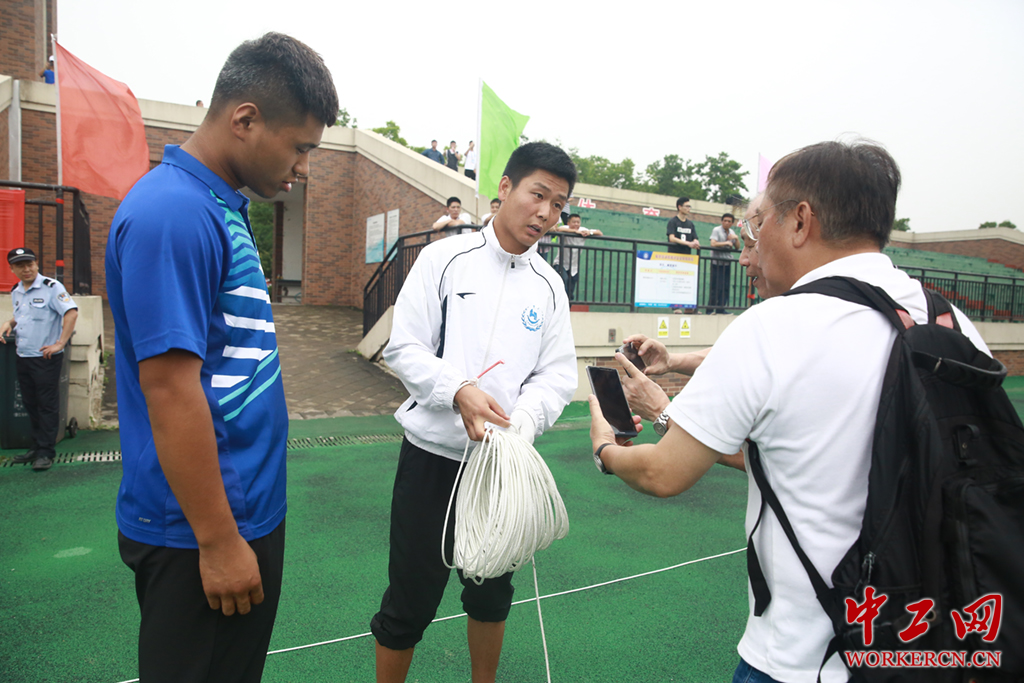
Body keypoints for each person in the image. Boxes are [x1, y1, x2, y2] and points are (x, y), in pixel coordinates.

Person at [588, 140, 990, 683]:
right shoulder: (949, 320)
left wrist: (605, 448)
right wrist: (679, 362)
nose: (750, 250)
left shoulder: (772, 326)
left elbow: (663, 472)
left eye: (759, 226)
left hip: (803, 656)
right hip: (932, 642)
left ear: (800, 221)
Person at [105, 32, 338, 683]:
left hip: (241, 512)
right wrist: (216, 539)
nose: (304, 167)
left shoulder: (217, 204)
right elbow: (170, 390)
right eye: (300, 147)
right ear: (245, 119)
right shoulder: (173, 214)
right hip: (199, 530)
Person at [371, 141, 579, 683]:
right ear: (504, 189)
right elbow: (403, 347)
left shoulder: (550, 286)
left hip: (498, 468)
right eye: (538, 195)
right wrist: (458, 389)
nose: (546, 213)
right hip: (430, 459)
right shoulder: (444, 259)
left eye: (558, 205)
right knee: (408, 601)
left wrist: (522, 424)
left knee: (491, 594)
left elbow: (558, 376)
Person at [1, 247, 78, 471]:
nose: (26, 269)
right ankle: (36, 447)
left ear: (36, 264)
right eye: (20, 266)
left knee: (46, 405)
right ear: (12, 269)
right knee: (30, 403)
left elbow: (71, 312)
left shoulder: (52, 288)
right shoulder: (16, 290)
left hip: (45, 357)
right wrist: (9, 323)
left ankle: (46, 452)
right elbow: (23, 314)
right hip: (23, 355)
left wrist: (60, 343)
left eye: (30, 264)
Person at [550, 213, 602, 301]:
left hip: (574, 268)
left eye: (578, 222)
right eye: (574, 222)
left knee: (570, 291)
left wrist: (590, 232)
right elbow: (559, 229)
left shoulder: (583, 230)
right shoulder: (565, 228)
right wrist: (575, 232)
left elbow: (599, 232)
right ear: (568, 223)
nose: (576, 224)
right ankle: (560, 303)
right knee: (564, 281)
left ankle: (567, 305)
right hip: (560, 264)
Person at [666, 197, 699, 313]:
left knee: (687, 282)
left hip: (687, 258)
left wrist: (695, 242)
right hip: (674, 257)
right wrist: (688, 243)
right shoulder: (673, 222)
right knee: (675, 281)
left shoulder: (690, 224)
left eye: (690, 206)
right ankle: (675, 307)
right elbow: (672, 238)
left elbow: (695, 238)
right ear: (679, 207)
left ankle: (689, 307)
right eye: (687, 206)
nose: (689, 208)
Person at [706, 213, 739, 314]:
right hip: (716, 263)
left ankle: (721, 309)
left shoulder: (732, 232)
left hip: (726, 263)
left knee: (725, 287)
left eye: (729, 221)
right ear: (722, 221)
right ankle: (710, 309)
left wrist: (736, 238)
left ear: (732, 223)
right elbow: (713, 243)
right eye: (725, 221)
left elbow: (737, 247)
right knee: (716, 287)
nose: (727, 223)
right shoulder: (716, 230)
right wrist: (726, 243)